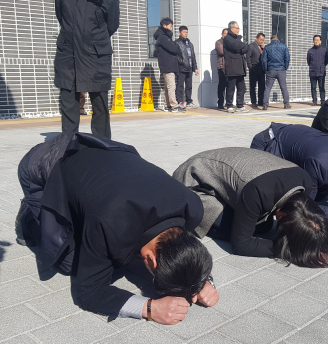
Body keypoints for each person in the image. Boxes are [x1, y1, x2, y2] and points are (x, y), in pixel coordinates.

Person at [15, 133, 218, 324]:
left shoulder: (192, 207)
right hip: (43, 163)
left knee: (91, 231)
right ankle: (29, 217)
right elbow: (87, 292)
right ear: (152, 260)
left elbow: (186, 250)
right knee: (68, 261)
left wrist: (199, 280)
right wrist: (150, 308)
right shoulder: (110, 222)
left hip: (106, 157)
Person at [173, 148, 328, 267]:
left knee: (261, 225)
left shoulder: (304, 182)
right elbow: (241, 245)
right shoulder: (259, 191)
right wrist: (290, 249)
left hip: (235, 174)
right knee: (248, 229)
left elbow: (308, 219)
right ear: (280, 217)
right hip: (193, 184)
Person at [53, 0, 118, 140]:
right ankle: (68, 144)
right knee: (68, 101)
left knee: (99, 102)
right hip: (68, 51)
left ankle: (102, 145)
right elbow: (61, 16)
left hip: (95, 52)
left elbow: (112, 23)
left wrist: (92, 37)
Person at [154, 18, 185, 113]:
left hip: (168, 64)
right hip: (168, 65)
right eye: (170, 26)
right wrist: (176, 47)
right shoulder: (163, 37)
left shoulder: (164, 37)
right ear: (164, 25)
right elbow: (174, 49)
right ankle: (174, 106)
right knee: (171, 86)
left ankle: (167, 105)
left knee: (168, 86)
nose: (171, 28)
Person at [223, 21, 251, 113]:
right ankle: (229, 105)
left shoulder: (238, 39)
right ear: (232, 29)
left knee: (241, 87)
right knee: (231, 87)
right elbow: (235, 46)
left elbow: (246, 48)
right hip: (232, 67)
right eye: (237, 28)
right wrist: (242, 47)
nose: (238, 30)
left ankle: (240, 105)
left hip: (240, 67)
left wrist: (241, 48)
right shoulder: (227, 38)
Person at [261, 35, 291, 110]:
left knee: (267, 88)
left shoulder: (267, 47)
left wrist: (265, 69)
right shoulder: (284, 46)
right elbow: (287, 58)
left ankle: (265, 105)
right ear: (278, 40)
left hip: (271, 70)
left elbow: (264, 60)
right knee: (284, 87)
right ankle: (286, 104)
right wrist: (285, 68)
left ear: (271, 40)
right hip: (281, 70)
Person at [175, 26, 199, 109]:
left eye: (187, 32)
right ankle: (180, 102)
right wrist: (182, 62)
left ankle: (189, 101)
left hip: (189, 68)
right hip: (181, 68)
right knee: (180, 86)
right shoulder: (177, 43)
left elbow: (193, 57)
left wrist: (195, 68)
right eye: (184, 32)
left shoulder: (190, 43)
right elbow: (176, 56)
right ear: (180, 32)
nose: (186, 34)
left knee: (189, 86)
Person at [307, 35, 328, 106]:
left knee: (322, 87)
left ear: (320, 41)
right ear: (313, 41)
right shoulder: (310, 51)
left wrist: (322, 66)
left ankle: (322, 101)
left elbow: (326, 61)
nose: (316, 41)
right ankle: (314, 101)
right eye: (315, 40)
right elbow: (308, 61)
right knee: (313, 88)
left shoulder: (324, 50)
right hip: (313, 72)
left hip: (321, 72)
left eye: (318, 40)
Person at [248, 33, 266, 109]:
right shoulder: (251, 46)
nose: (262, 41)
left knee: (262, 86)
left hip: (261, 69)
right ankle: (253, 102)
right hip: (254, 68)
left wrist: (265, 48)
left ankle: (260, 101)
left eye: (263, 40)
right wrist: (250, 67)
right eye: (261, 40)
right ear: (257, 39)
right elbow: (248, 57)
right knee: (253, 86)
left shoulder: (263, 47)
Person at [215, 28, 229, 110]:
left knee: (229, 86)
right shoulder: (218, 42)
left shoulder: (229, 42)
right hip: (222, 67)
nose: (226, 35)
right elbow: (221, 52)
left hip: (229, 67)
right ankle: (220, 103)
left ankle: (228, 103)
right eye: (225, 34)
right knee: (222, 86)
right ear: (222, 34)